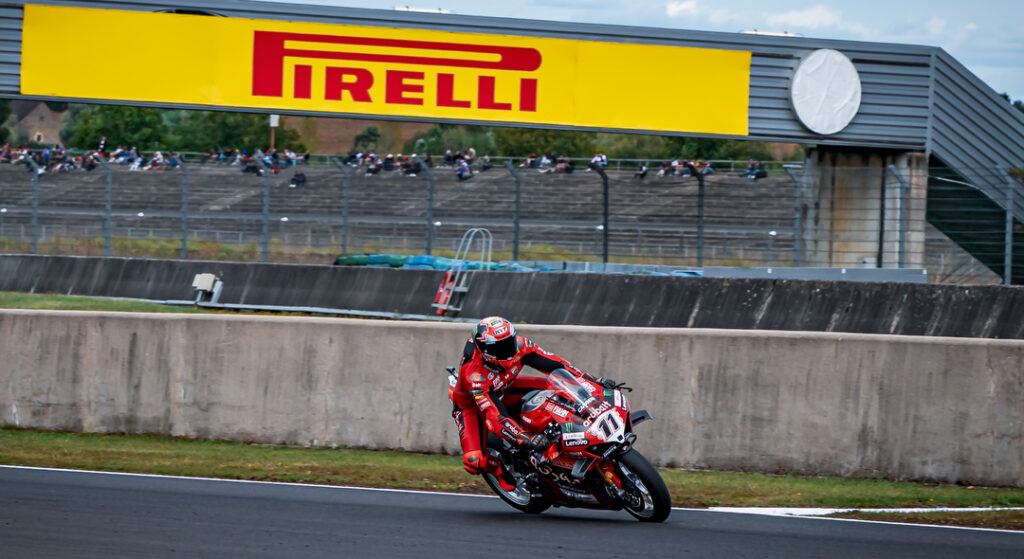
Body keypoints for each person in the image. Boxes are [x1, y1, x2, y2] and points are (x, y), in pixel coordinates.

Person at [449, 316, 621, 490]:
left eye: (510, 342)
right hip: (472, 407)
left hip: (507, 387)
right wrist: (523, 437)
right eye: (500, 347)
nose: (509, 350)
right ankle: (497, 468)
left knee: (558, 388)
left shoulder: (521, 346)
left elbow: (556, 364)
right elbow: (494, 416)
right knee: (474, 461)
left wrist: (593, 380)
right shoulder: (474, 374)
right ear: (485, 350)